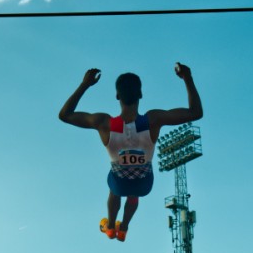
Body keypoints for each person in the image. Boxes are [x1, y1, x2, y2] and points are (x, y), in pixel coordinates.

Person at [58, 62, 203, 242]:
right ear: (140, 95)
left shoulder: (105, 123)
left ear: (117, 96)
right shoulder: (153, 120)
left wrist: (85, 84)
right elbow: (195, 112)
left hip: (120, 183)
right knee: (133, 191)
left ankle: (111, 226)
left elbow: (65, 115)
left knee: (114, 189)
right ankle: (124, 228)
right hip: (144, 184)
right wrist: (187, 78)